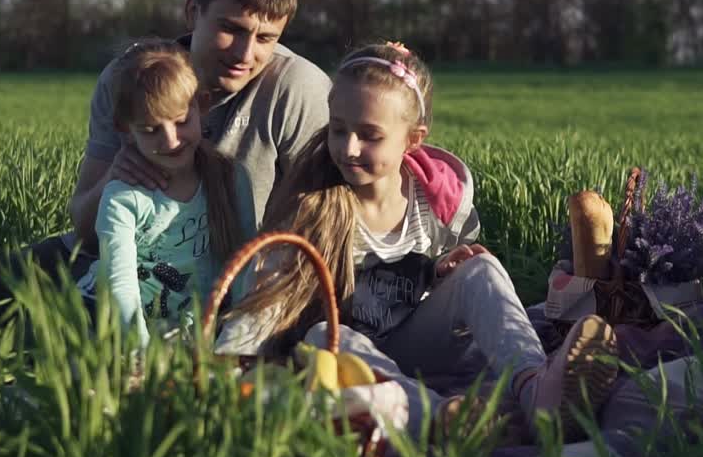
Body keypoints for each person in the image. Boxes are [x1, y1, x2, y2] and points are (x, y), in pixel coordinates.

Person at [215, 42, 619, 436]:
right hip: (356, 360)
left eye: (370, 136)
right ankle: (447, 418)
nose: (349, 148)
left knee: (482, 268)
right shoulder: (315, 206)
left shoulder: (432, 200)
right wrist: (226, 365)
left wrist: (440, 272)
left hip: (422, 342)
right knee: (324, 335)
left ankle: (537, 391)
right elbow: (268, 296)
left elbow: (440, 278)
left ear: (413, 139)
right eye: (338, 130)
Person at [0, 0, 330, 321]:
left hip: (231, 279)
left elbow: (323, 229)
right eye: (231, 29)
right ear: (193, 11)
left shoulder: (299, 89)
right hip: (117, 262)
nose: (246, 55)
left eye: (265, 39)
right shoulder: (131, 78)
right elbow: (84, 228)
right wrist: (117, 175)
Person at [76, 39, 257, 344]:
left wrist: (234, 337)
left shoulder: (231, 178)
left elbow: (244, 263)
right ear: (125, 129)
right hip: (111, 319)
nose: (171, 140)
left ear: (202, 104)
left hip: (186, 323)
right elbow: (120, 282)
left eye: (181, 122)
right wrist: (140, 354)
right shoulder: (124, 196)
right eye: (150, 130)